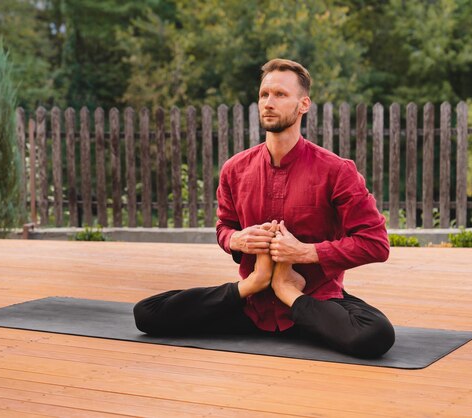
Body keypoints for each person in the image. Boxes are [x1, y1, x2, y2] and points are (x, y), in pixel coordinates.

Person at [134, 58, 395, 358]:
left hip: (313, 302)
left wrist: (303, 253)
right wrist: (237, 240)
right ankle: (260, 283)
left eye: (281, 95)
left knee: (375, 334)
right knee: (148, 313)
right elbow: (224, 227)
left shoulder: (337, 171)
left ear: (303, 104)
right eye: (264, 94)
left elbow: (376, 244)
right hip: (250, 303)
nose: (269, 103)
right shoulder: (234, 169)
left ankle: (287, 291)